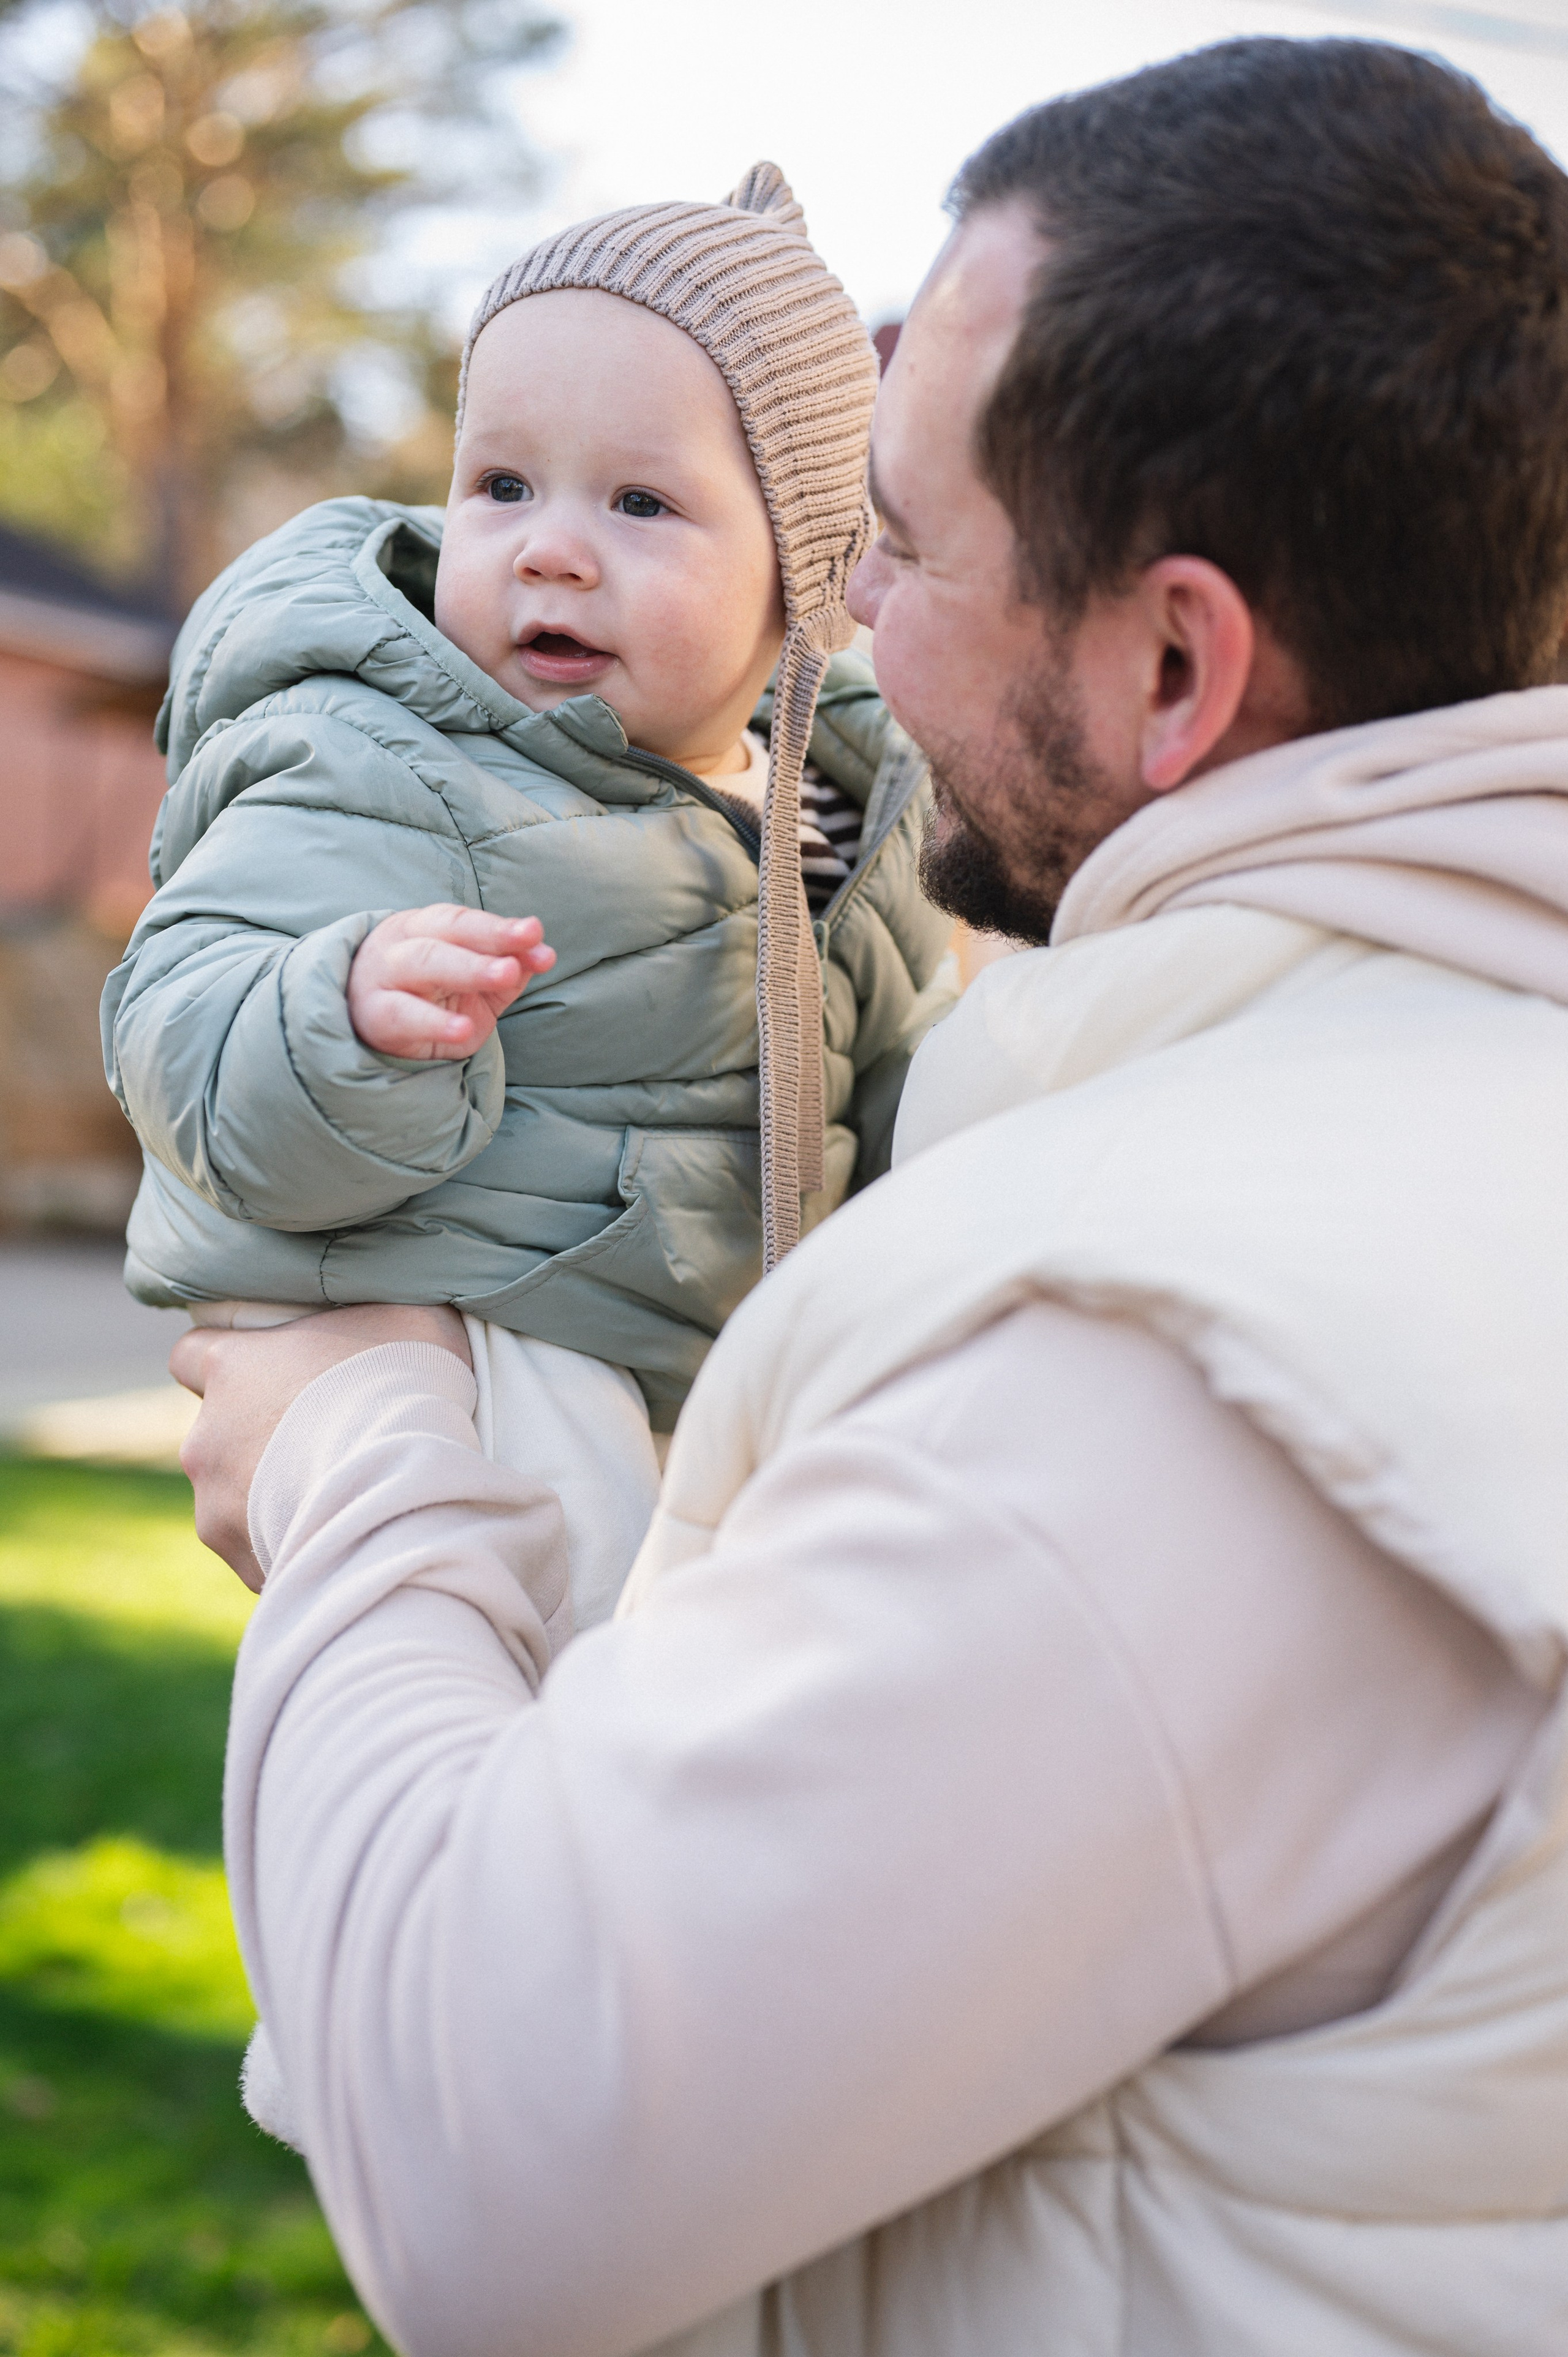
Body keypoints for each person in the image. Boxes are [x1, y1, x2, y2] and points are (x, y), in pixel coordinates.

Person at [178, 39, 1568, 2357]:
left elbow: (493, 2152)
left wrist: (351, 1447)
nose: (853, 640)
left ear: (1175, 663)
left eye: (900, 553)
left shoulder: (1172, 1350)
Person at [102, 164, 949, 1627]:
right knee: (559, 1651)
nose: (548, 545)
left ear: (803, 579)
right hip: (460, 1343)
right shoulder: (380, 751)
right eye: (501, 484)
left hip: (704, 1368)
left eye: (639, 501)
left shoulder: (845, 820)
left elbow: (889, 1125)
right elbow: (174, 1015)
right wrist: (338, 1014)